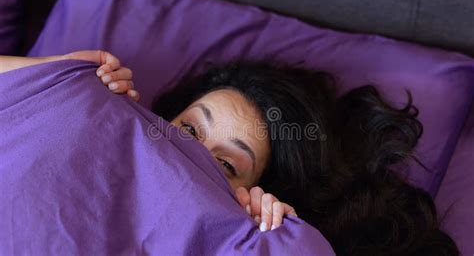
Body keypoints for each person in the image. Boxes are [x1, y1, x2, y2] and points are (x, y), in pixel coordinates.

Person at [1, 50, 459, 255]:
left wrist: (275, 238)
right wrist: (49, 73)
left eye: (224, 164)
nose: (188, 153)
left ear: (248, 195)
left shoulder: (237, 236)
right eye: (188, 129)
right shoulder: (90, 105)